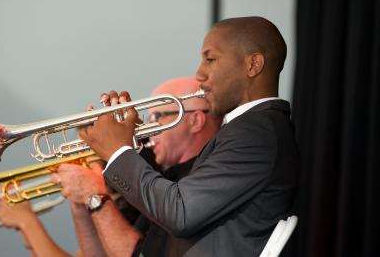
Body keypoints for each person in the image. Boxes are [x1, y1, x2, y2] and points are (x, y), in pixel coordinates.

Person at [78, 16, 300, 256]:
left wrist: (118, 153)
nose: (200, 73)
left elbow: (180, 211)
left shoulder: (258, 131)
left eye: (211, 59)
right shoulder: (247, 128)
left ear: (253, 65)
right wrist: (127, 144)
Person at [0, 77, 221, 257]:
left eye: (158, 115)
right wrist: (80, 202)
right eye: (149, 116)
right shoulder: (166, 176)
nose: (149, 126)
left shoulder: (198, 179)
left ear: (195, 120)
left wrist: (94, 195)